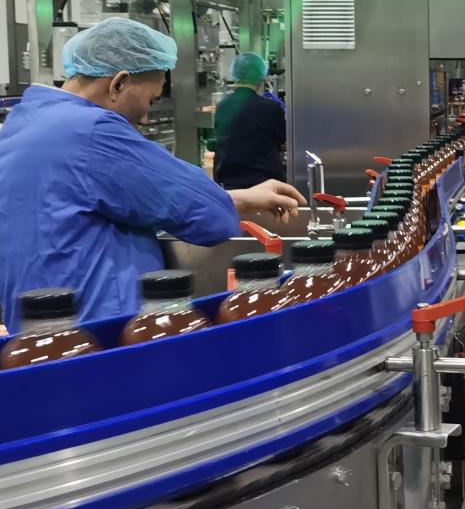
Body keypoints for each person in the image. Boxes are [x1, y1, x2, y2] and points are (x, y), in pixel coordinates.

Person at [0, 18, 305, 330]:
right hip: (98, 326)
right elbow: (203, 213)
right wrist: (230, 202)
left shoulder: (26, 120)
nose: (146, 118)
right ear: (118, 84)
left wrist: (242, 198)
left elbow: (126, 196)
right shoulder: (93, 131)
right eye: (150, 100)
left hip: (38, 322)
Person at [214, 52, 287, 189]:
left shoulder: (222, 106)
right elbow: (281, 140)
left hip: (230, 185)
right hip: (266, 184)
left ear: (235, 76)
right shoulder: (270, 107)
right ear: (260, 78)